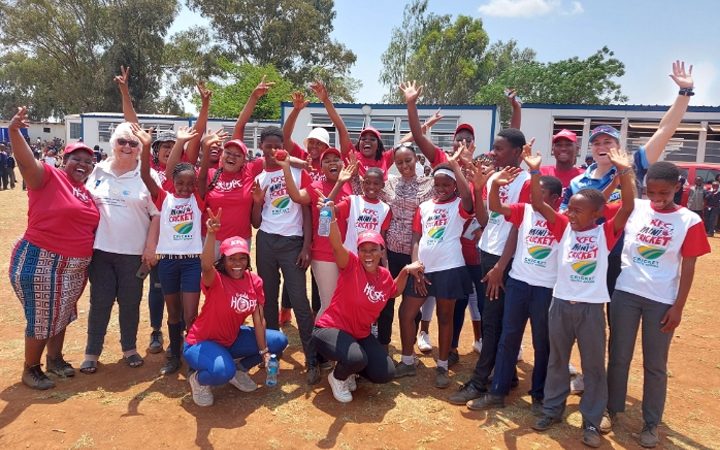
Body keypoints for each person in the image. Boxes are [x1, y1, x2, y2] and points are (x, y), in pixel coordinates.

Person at [531, 148, 635, 448]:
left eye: (577, 210)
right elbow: (538, 203)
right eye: (570, 208)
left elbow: (627, 206)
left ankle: (591, 419)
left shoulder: (605, 234)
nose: (569, 214)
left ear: (597, 214)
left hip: (590, 309)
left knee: (592, 366)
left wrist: (624, 172)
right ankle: (552, 409)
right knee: (557, 361)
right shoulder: (563, 227)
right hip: (560, 304)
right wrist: (537, 172)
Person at [606, 162, 711, 448]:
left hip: (661, 301)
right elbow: (610, 202)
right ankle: (611, 409)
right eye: (650, 191)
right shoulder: (636, 208)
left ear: (678, 186)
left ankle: (650, 423)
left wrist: (678, 307)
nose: (656, 198)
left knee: (655, 365)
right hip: (625, 293)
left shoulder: (690, 221)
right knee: (618, 356)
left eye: (664, 192)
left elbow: (688, 267)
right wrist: (623, 172)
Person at [8, 107, 99, 389]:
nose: (83, 164)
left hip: (73, 268)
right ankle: (30, 368)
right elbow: (25, 164)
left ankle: (55, 359)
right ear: (64, 159)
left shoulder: (86, 193)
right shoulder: (48, 176)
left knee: (61, 313)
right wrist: (14, 131)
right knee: (42, 316)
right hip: (42, 260)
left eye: (88, 161)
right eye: (76, 159)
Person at [466, 153, 563, 415]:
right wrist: (494, 184)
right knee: (509, 337)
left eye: (541, 194)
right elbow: (496, 208)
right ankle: (497, 391)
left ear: (557, 200)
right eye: (534, 193)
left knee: (542, 342)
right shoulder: (524, 211)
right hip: (519, 284)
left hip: (544, 288)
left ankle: (539, 394)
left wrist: (533, 171)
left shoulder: (560, 220)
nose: (535, 199)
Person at [449, 128, 531, 405]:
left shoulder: (527, 182)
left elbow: (519, 227)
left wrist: (500, 266)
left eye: (500, 149)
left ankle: (480, 381)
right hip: (488, 252)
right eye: (494, 148)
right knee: (493, 319)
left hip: (504, 261)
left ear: (517, 152)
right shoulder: (495, 177)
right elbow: (486, 220)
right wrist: (481, 187)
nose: (493, 153)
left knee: (494, 321)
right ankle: (506, 376)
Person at [312, 208, 424, 402]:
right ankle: (338, 377)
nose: (368, 254)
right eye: (363, 250)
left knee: (385, 373)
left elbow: (394, 291)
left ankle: (350, 371)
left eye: (373, 250)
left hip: (359, 334)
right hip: (331, 329)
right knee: (357, 358)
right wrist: (330, 217)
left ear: (382, 252)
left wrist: (405, 270)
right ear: (358, 252)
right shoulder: (351, 266)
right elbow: (337, 245)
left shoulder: (384, 276)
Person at [184, 209, 288, 406]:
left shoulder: (254, 281)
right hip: (201, 343)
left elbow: (258, 319)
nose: (237, 263)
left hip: (231, 338)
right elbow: (206, 266)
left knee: (278, 340)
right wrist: (211, 234)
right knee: (222, 372)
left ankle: (239, 369)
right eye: (231, 258)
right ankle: (198, 380)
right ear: (223, 260)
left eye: (242, 258)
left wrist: (264, 353)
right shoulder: (215, 279)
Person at [81, 121, 159, 374]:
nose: (127, 147)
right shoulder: (98, 171)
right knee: (100, 302)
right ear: (113, 144)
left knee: (130, 302)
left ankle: (129, 349)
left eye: (133, 143)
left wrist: (150, 247)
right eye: (122, 141)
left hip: (133, 254)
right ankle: (92, 352)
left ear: (140, 148)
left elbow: (156, 214)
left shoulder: (147, 175)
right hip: (100, 251)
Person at [395, 150, 474, 389]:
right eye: (437, 184)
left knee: (445, 317)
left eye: (446, 184)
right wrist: (416, 266)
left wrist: (455, 167)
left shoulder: (460, 205)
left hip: (449, 268)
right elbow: (417, 238)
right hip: (423, 270)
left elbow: (470, 200)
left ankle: (442, 366)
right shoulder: (425, 206)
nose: (441, 188)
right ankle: (408, 361)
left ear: (454, 186)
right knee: (406, 313)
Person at [138, 125, 206, 375]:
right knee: (174, 313)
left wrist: (205, 146)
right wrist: (146, 146)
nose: (185, 188)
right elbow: (145, 176)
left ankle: (193, 356)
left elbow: (200, 176)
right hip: (167, 262)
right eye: (180, 183)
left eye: (190, 184)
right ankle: (174, 355)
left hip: (191, 262)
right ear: (172, 182)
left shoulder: (197, 199)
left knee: (190, 314)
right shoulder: (164, 197)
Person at [251, 127, 317, 383]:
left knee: (300, 301)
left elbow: (308, 211)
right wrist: (257, 201)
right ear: (261, 147)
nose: (271, 150)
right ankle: (272, 354)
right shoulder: (259, 177)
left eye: (276, 145)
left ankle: (311, 359)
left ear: (284, 147)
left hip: (293, 243)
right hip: (266, 241)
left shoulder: (299, 172)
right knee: (267, 299)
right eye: (267, 145)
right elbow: (256, 223)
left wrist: (306, 246)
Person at [280, 147, 353, 318]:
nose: (333, 162)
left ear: (343, 164)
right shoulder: (316, 187)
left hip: (347, 252)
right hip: (324, 254)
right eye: (327, 161)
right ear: (321, 168)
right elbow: (297, 196)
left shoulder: (350, 184)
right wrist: (285, 167)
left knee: (342, 301)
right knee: (329, 304)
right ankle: (319, 341)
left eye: (336, 159)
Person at [540, 129, 584, 199]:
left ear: (577, 149)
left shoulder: (585, 177)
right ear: (553, 149)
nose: (563, 148)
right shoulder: (540, 173)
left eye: (568, 145)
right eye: (559, 145)